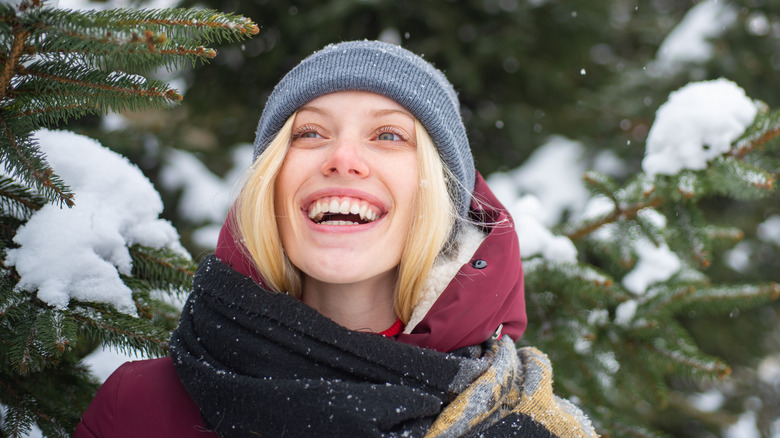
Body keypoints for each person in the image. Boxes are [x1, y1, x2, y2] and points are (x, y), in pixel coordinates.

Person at [75, 40, 598, 438]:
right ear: (270, 184)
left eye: (388, 135)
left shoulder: (529, 423)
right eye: (309, 133)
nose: (343, 158)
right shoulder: (139, 407)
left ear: (439, 194)